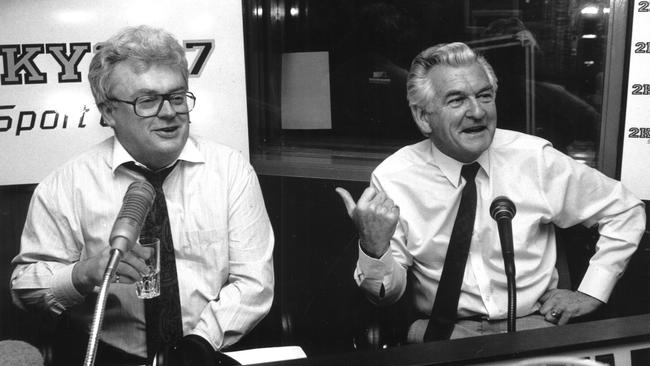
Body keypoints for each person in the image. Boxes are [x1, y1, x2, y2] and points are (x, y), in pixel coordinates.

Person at [336, 42, 645, 342]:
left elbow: (625, 210)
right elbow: (386, 297)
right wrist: (375, 250)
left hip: (535, 324)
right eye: (456, 100)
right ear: (423, 117)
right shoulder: (394, 177)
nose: (477, 112)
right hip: (444, 331)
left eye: (484, 96)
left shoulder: (535, 159)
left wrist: (592, 290)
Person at [10, 25, 274, 364]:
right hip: (112, 356)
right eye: (147, 100)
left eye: (177, 97)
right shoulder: (66, 185)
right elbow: (25, 287)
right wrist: (82, 274)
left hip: (209, 353)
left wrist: (197, 346)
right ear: (108, 112)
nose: (169, 112)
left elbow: (255, 283)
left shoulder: (230, 171)